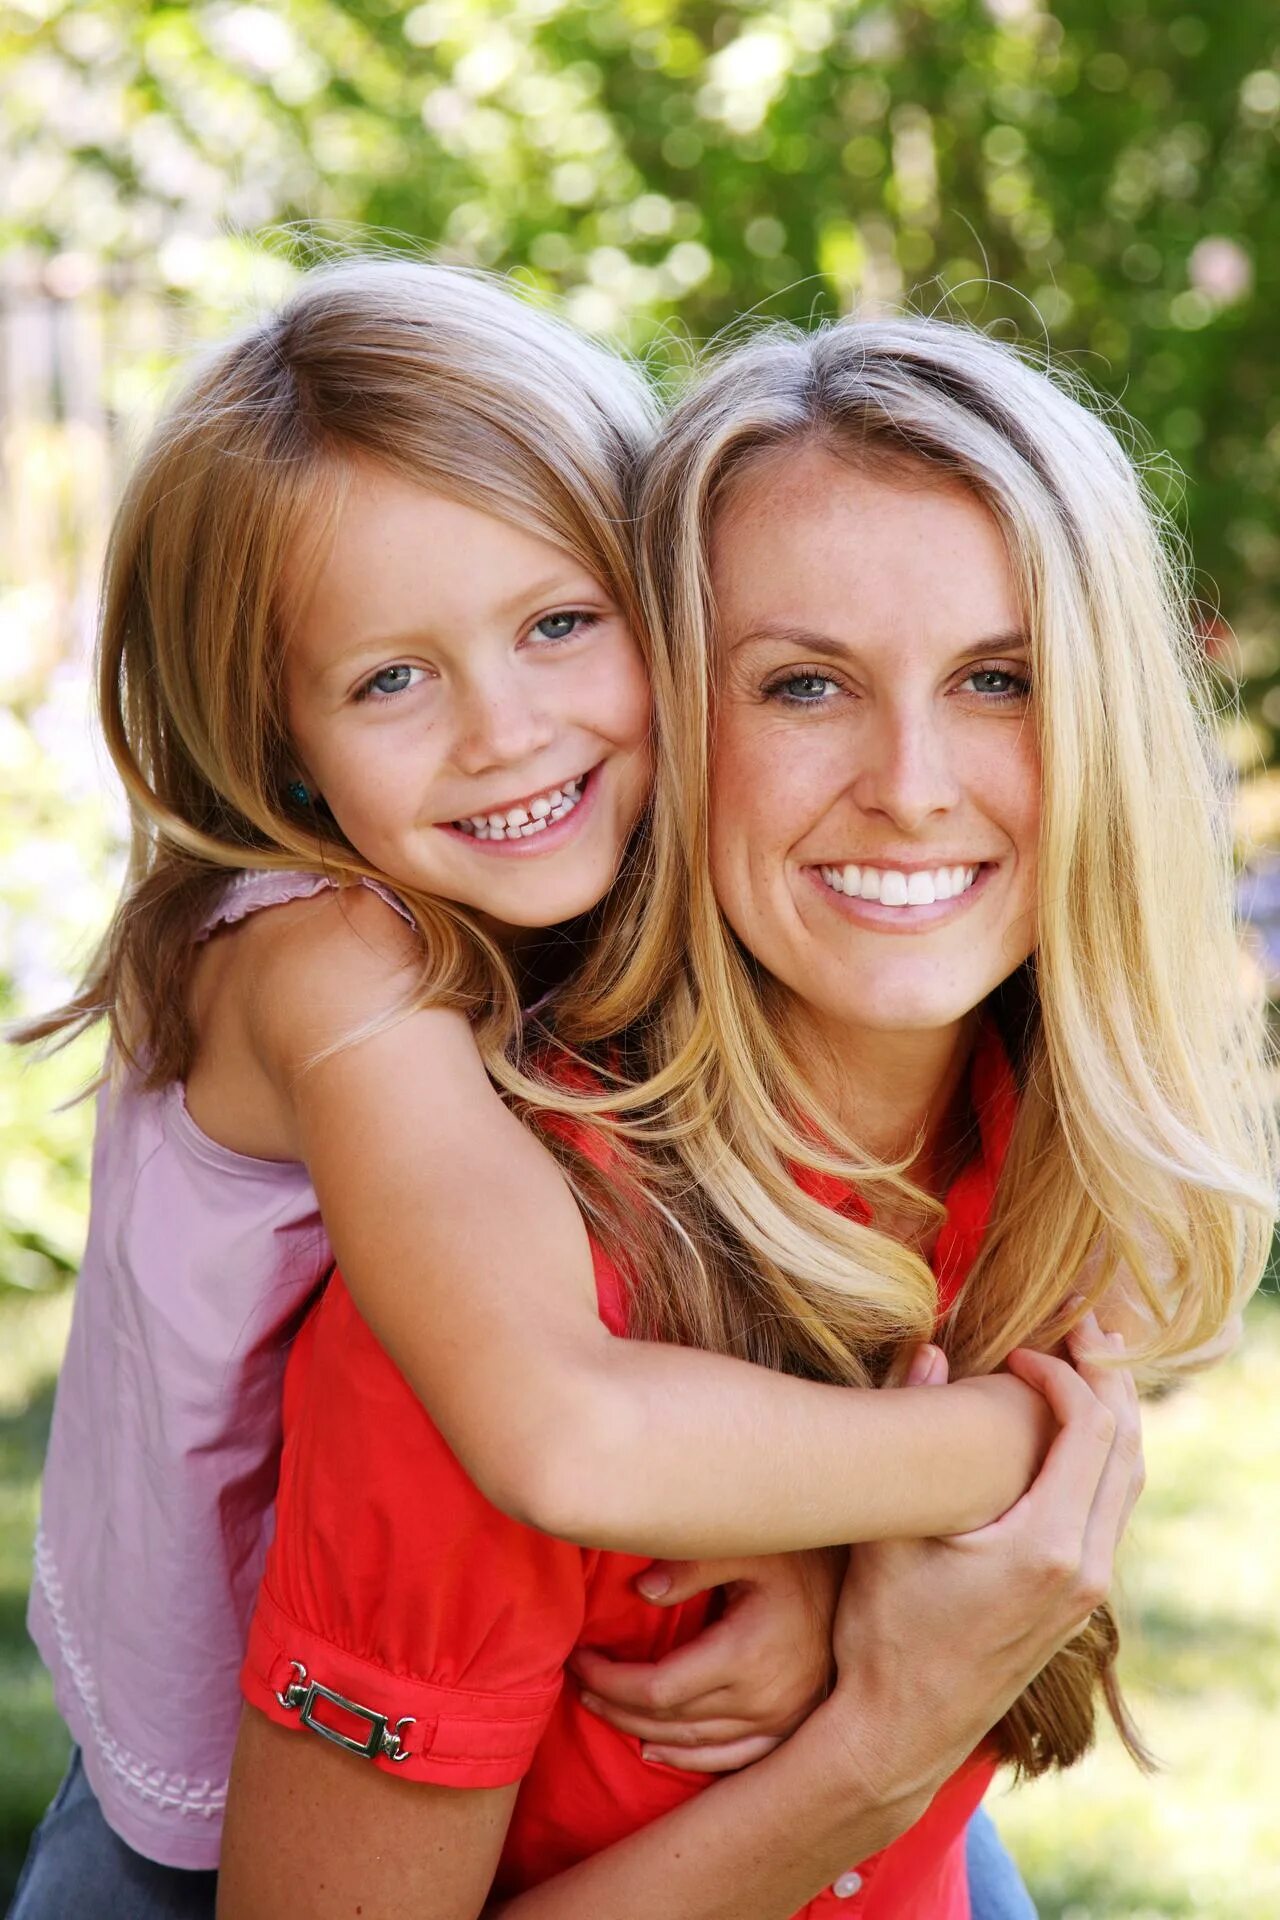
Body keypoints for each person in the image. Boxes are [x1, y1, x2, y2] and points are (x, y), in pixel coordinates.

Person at [9, 266, 1061, 1919]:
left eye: (560, 625)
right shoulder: (332, 967)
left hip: (518, 1705)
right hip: (211, 1808)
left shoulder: (594, 897)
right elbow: (559, 1429)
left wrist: (805, 1552)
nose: (508, 734)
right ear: (276, 741)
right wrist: (1018, 1452)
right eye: (388, 681)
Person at [217, 315, 1274, 1915]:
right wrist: (881, 1743)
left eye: (1001, 678)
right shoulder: (501, 1297)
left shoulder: (1047, 1159)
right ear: (673, 720)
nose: (914, 781)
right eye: (803, 684)